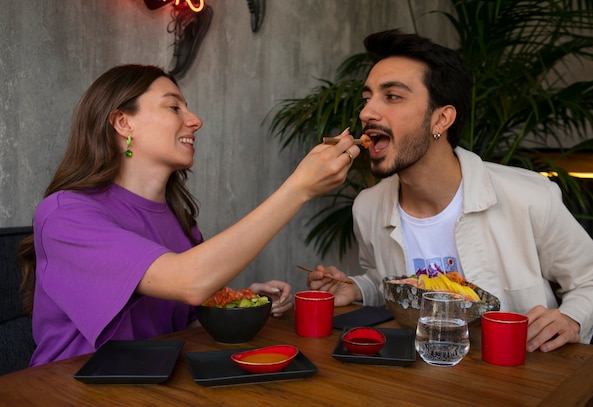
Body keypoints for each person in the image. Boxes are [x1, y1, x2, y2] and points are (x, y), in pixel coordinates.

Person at [19, 64, 361, 366]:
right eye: (174, 107)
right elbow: (189, 281)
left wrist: (237, 301)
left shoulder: (178, 220)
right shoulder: (65, 215)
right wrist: (298, 187)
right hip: (71, 389)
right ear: (123, 122)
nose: (195, 120)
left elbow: (187, 317)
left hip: (157, 382)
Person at [306, 29, 593, 352]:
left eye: (392, 96)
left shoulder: (529, 196)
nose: (366, 113)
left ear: (442, 119)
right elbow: (389, 281)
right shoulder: (368, 206)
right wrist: (354, 287)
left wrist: (572, 318)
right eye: (367, 98)